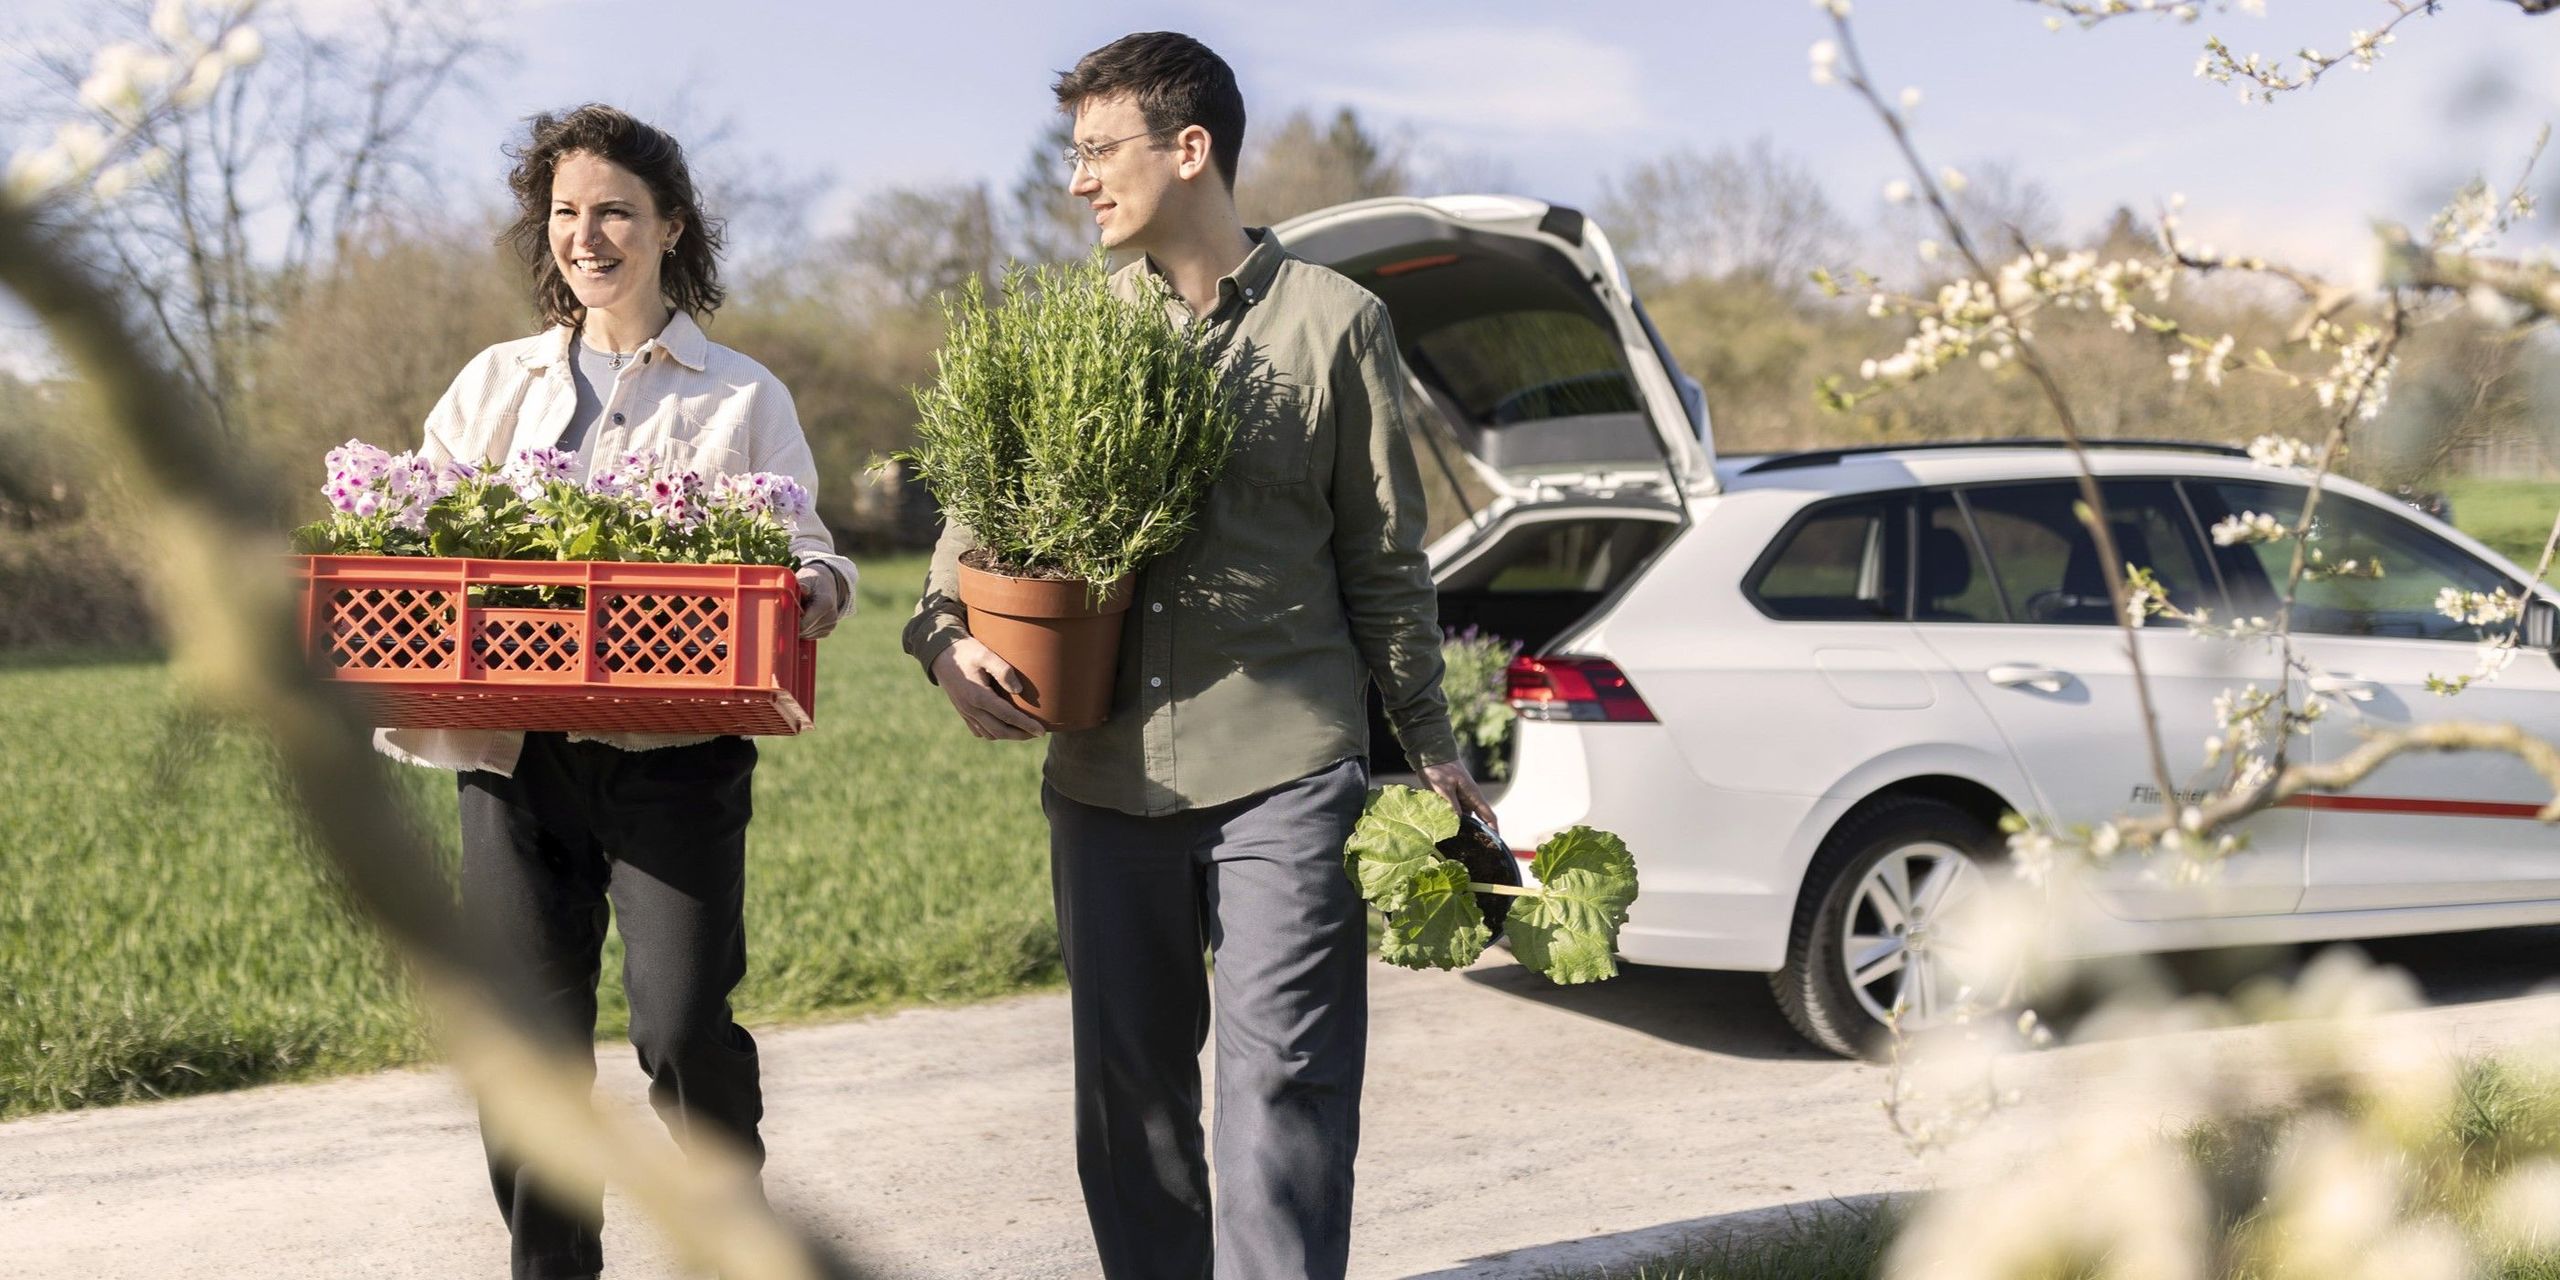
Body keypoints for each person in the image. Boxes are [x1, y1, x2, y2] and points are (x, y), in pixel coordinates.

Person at [902, 32, 1491, 1280]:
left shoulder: (1339, 327)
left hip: (1288, 765)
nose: (1077, 181)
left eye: (1098, 151)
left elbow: (1385, 563)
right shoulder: (1071, 334)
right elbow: (967, 547)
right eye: (1072, 155)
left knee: (1283, 1087)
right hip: (1105, 777)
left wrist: (1430, 749)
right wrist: (945, 642)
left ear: (1189, 149)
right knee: (1130, 1109)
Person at [376, 103, 855, 1280]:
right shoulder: (495, 383)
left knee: (684, 1026)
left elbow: (818, 548)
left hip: (675, 754)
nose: (586, 237)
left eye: (614, 213)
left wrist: (808, 586)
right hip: (513, 756)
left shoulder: (740, 395)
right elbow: (411, 521)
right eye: (566, 215)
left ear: (668, 226)